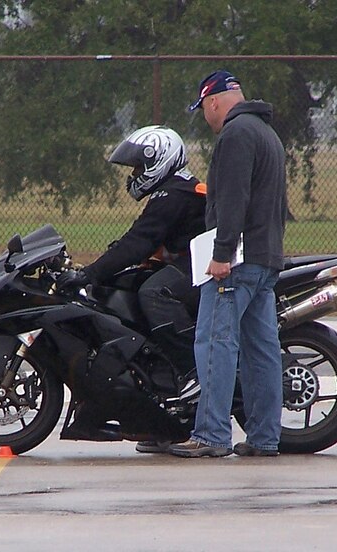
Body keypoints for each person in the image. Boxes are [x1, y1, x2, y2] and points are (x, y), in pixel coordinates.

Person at [58, 125, 206, 452]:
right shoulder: (171, 190)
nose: (135, 174)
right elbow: (139, 239)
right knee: (133, 283)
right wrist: (106, 266)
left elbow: (139, 241)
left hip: (202, 266)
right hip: (191, 263)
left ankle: (193, 371)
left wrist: (90, 274)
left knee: (154, 292)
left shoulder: (175, 193)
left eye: (139, 167)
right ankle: (163, 410)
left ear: (159, 160)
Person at [168, 70, 287, 458]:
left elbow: (233, 200)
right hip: (265, 258)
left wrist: (221, 254)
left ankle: (211, 435)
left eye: (204, 108)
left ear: (214, 100)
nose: (206, 115)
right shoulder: (267, 134)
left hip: (235, 262)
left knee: (215, 343)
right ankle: (265, 438)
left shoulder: (235, 135)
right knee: (262, 351)